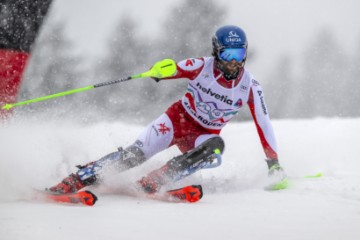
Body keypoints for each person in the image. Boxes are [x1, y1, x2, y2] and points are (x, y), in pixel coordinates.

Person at [48, 25, 286, 196]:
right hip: (175, 121)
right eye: (227, 54)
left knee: (215, 149)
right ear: (216, 52)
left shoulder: (250, 87)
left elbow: (263, 123)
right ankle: (78, 179)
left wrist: (273, 163)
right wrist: (160, 70)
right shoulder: (202, 66)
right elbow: (174, 68)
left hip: (202, 135)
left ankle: (156, 179)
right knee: (134, 155)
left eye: (239, 55)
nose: (234, 62)